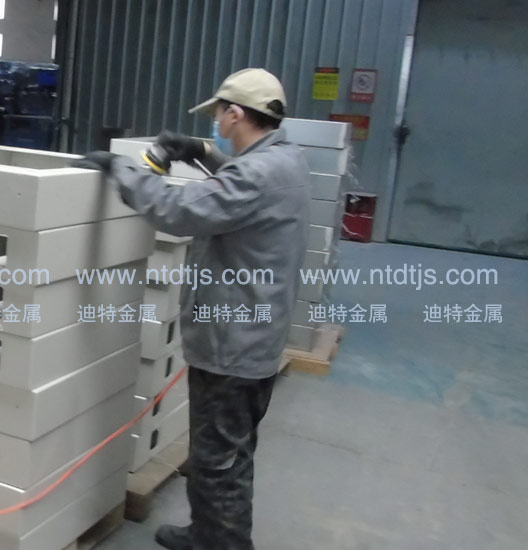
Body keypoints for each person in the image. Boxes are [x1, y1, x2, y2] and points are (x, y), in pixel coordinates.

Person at [74, 68, 310, 550]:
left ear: (236, 113)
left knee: (220, 461)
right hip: (254, 336)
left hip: (233, 347)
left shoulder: (256, 175)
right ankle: (206, 534)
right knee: (223, 452)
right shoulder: (287, 160)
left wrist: (122, 169)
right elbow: (241, 184)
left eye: (218, 115)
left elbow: (179, 211)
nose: (215, 123)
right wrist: (201, 153)